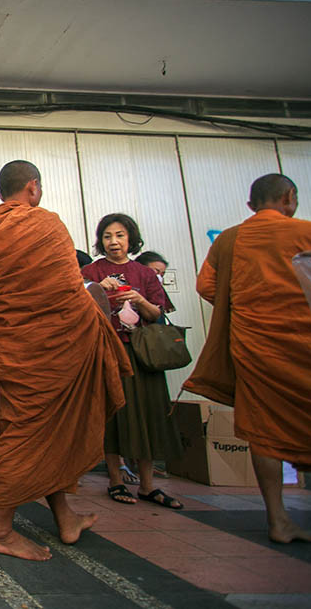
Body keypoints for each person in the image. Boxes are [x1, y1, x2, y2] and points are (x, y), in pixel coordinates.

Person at [0, 160, 128, 561]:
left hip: (13, 350)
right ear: (34, 187)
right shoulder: (46, 224)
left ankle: (65, 517)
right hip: (53, 352)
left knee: (49, 432)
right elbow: (67, 295)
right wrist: (99, 311)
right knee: (24, 435)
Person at [186, 173, 311, 544]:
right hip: (307, 347)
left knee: (264, 430)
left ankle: (278, 519)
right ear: (289, 198)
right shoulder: (308, 232)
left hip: (255, 347)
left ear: (250, 206)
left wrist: (244, 307)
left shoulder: (230, 239)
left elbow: (206, 286)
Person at [82, 215, 183, 509]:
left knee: (149, 415)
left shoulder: (145, 274)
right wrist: (98, 288)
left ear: (131, 239)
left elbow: (157, 314)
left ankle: (148, 485)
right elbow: (77, 307)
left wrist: (138, 300)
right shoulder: (91, 271)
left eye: (120, 236)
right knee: (112, 415)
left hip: (142, 355)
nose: (113, 242)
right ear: (100, 241)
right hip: (106, 351)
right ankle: (115, 479)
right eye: (107, 236)